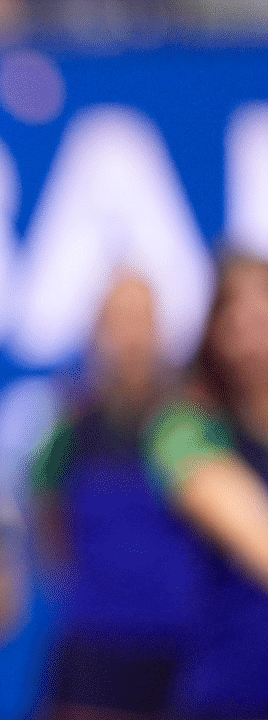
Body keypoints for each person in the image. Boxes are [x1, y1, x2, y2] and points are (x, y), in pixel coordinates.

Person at [32, 274, 209, 719]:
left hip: (180, 650)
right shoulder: (72, 425)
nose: (132, 337)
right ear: (98, 333)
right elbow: (48, 516)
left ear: (160, 331)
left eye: (142, 321)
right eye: (119, 321)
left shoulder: (190, 421)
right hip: (95, 645)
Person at [145, 252, 268, 720]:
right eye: (233, 317)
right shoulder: (181, 430)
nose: (249, 334)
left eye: (261, 314)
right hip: (229, 690)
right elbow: (257, 540)